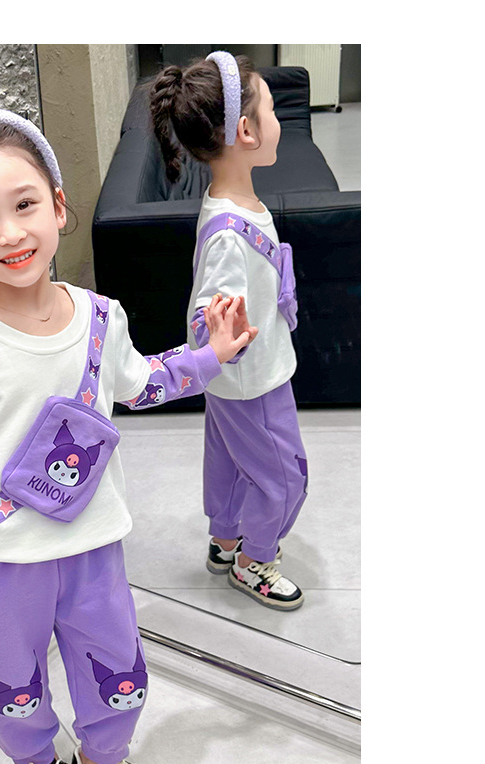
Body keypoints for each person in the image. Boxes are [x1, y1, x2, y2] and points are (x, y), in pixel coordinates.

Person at [0, 108, 256, 764]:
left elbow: (139, 383)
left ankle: (100, 762)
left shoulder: (101, 318)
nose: (11, 233)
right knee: (14, 685)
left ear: (58, 205)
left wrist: (210, 357)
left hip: (94, 550)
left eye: (25, 204)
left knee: (119, 671)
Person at [150, 51, 308, 611]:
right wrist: (218, 338)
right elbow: (205, 319)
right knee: (284, 476)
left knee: (231, 462)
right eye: (272, 109)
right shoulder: (227, 234)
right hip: (253, 381)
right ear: (245, 130)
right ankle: (253, 559)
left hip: (234, 381)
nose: (279, 119)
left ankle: (225, 540)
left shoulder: (231, 201)